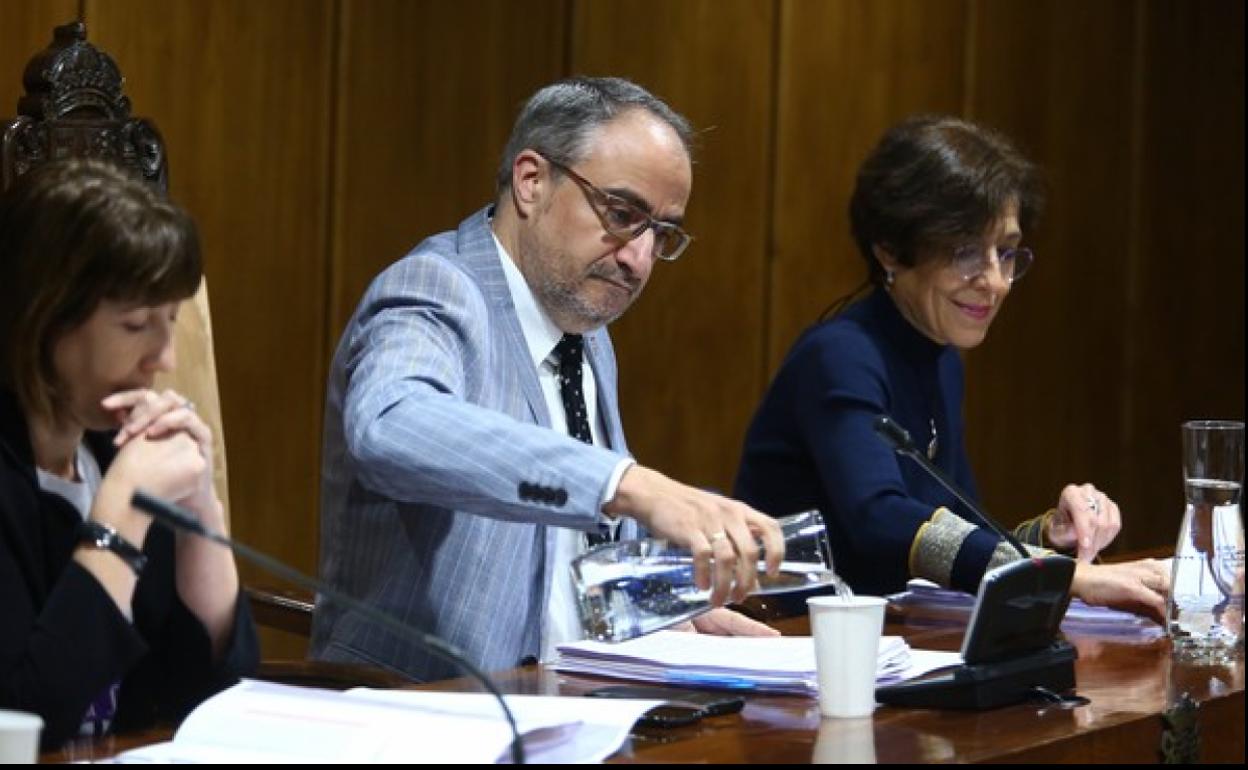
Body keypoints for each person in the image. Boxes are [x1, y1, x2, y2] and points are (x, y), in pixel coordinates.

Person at [312, 77, 785, 681]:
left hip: (565, 704)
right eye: (621, 215)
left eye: (661, 234)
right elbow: (390, 425)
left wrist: (659, 606)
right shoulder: (434, 288)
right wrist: (627, 484)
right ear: (531, 181)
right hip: (423, 710)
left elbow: (558, 558)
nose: (638, 260)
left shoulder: (583, 330)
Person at [734, 115, 1169, 620]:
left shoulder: (941, 358)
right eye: (966, 251)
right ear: (891, 250)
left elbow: (961, 533)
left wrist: (1053, 535)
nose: (995, 281)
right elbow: (881, 518)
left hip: (895, 646)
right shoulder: (839, 356)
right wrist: (1066, 576)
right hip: (794, 647)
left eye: (1005, 253)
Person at [0, 159, 258, 748]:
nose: (165, 359)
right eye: (137, 323)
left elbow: (216, 693)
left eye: (170, 319)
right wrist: (120, 511)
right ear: (45, 319)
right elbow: (25, 722)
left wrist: (201, 515)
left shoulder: (110, 451)